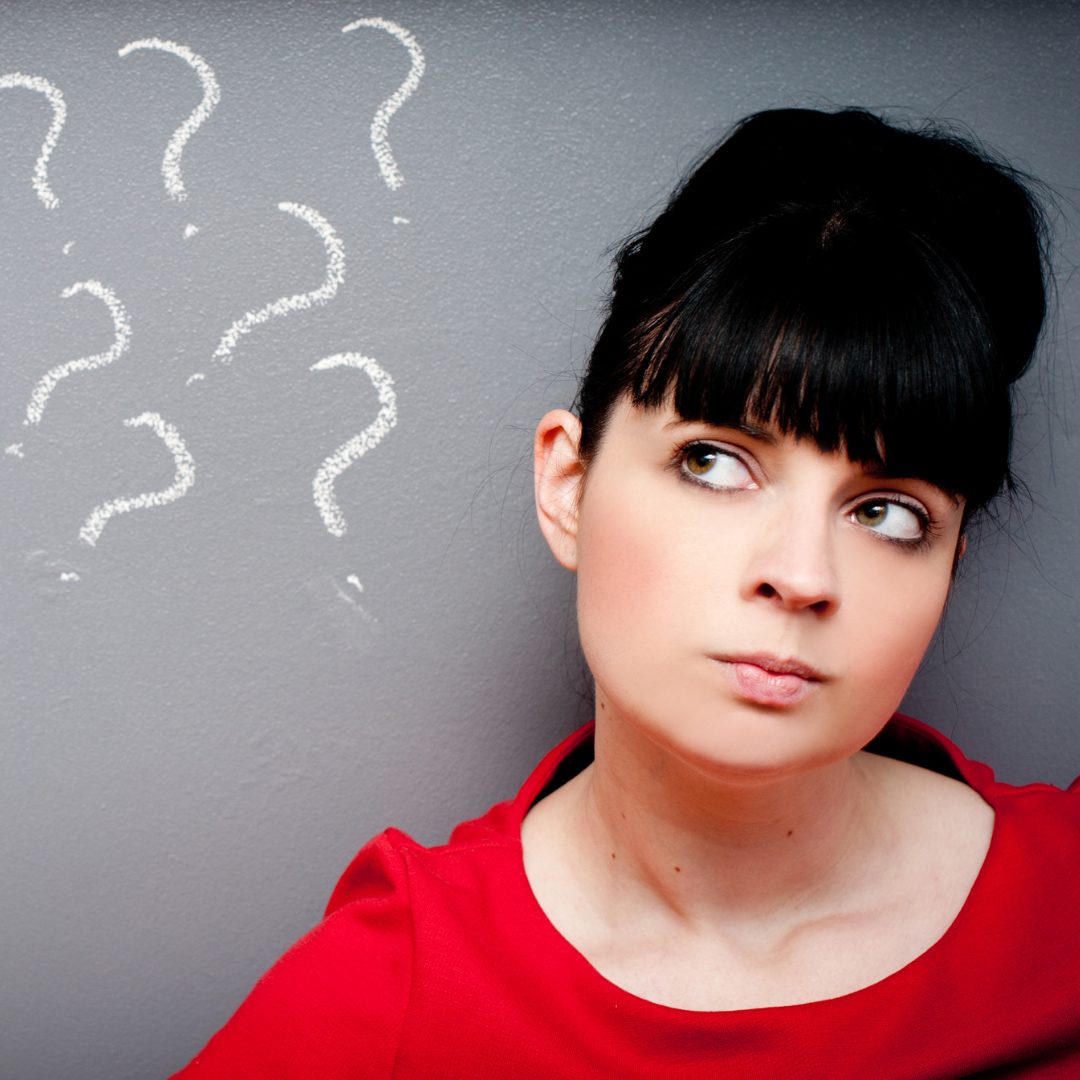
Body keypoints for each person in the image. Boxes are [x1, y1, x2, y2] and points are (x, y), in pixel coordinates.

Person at [173, 108, 1080, 1077]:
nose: (802, 576)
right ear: (568, 487)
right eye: (715, 463)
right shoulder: (391, 997)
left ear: (950, 564)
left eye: (889, 515)